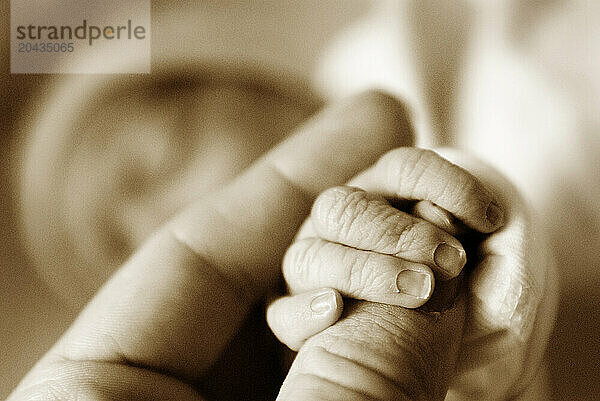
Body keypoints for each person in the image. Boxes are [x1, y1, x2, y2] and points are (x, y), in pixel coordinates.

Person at [7, 91, 556, 401]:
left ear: (266, 89)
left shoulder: (407, 66)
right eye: (130, 248)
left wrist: (434, 190)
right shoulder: (286, 350)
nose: (168, 218)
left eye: (164, 159)